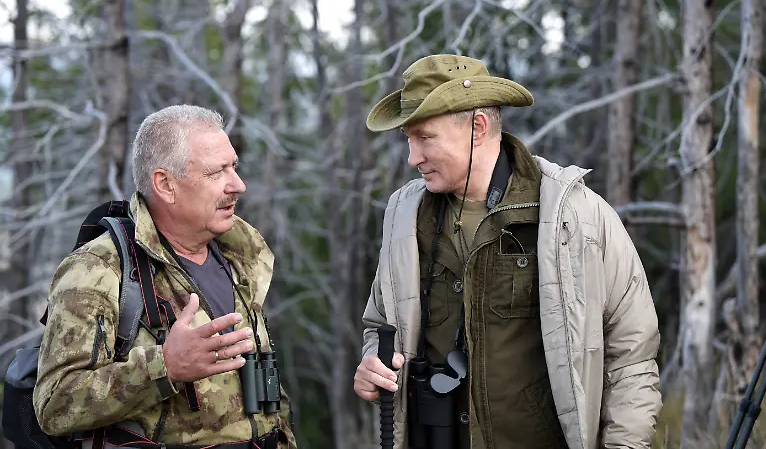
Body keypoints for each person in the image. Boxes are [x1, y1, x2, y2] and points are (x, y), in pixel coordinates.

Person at [353, 55, 662, 449]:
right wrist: (373, 365)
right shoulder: (404, 217)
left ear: (477, 128)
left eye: (425, 138)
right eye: (408, 140)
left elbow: (631, 356)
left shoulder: (574, 215)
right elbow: (379, 323)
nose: (413, 157)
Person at [33, 105, 297, 449]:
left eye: (235, 167)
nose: (239, 185)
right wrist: (165, 366)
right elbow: (54, 405)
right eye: (217, 173)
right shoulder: (99, 269)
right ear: (166, 184)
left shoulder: (240, 257)